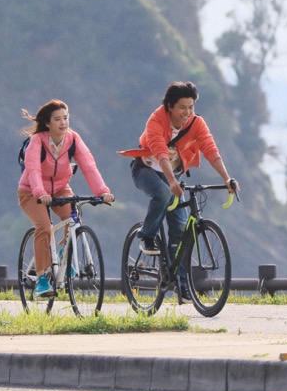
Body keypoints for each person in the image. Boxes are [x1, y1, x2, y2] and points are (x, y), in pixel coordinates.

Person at [121, 81, 237, 299]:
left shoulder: (197, 123)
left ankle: (183, 286)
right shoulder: (156, 120)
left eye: (191, 107)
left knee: (181, 231)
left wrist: (227, 178)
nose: (187, 112)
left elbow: (211, 150)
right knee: (163, 193)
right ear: (170, 106)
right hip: (146, 170)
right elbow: (160, 151)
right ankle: (147, 235)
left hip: (174, 175)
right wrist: (171, 181)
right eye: (182, 107)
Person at [17, 99, 115, 298]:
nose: (63, 123)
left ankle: (64, 255)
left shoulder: (73, 139)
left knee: (73, 218)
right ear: (47, 123)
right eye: (57, 119)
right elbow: (33, 170)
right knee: (44, 227)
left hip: (60, 188)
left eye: (65, 118)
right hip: (31, 191)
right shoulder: (37, 141)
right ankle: (42, 278)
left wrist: (102, 191)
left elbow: (88, 166)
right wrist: (40, 193)